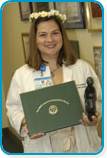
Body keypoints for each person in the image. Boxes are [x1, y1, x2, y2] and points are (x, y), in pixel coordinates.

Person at [6, 10, 102, 153]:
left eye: (55, 33)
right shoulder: (22, 75)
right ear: (35, 39)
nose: (50, 40)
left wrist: (94, 116)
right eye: (43, 35)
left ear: (62, 36)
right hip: (42, 145)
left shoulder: (82, 68)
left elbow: (99, 100)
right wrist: (26, 125)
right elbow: (13, 108)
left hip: (82, 143)